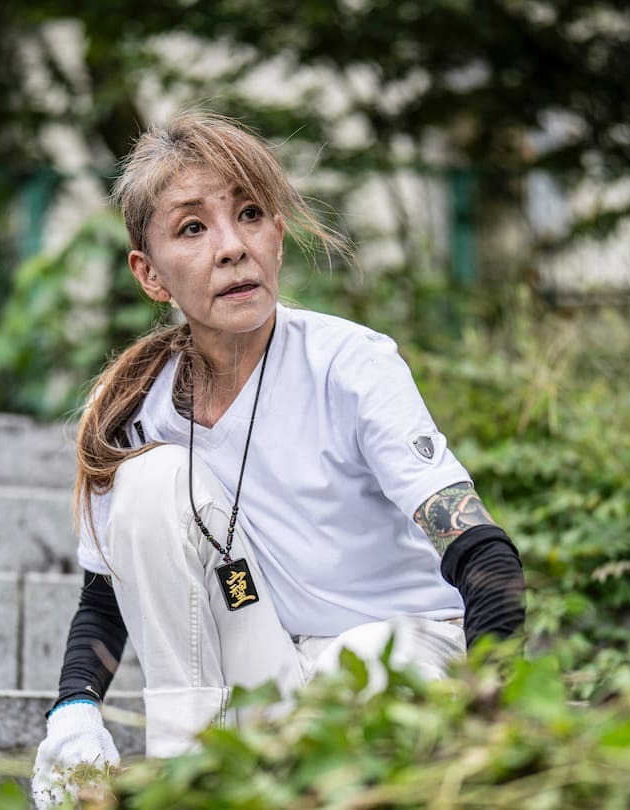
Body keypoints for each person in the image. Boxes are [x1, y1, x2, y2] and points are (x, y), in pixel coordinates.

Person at [32, 111, 525, 807]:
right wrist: (74, 709)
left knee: (355, 675)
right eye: (193, 227)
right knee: (146, 483)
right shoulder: (136, 407)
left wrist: (495, 698)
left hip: (403, 647)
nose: (232, 247)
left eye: (250, 214)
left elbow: (480, 549)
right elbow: (106, 593)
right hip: (264, 652)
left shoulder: (351, 365)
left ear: (278, 238)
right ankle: (191, 771)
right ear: (150, 274)